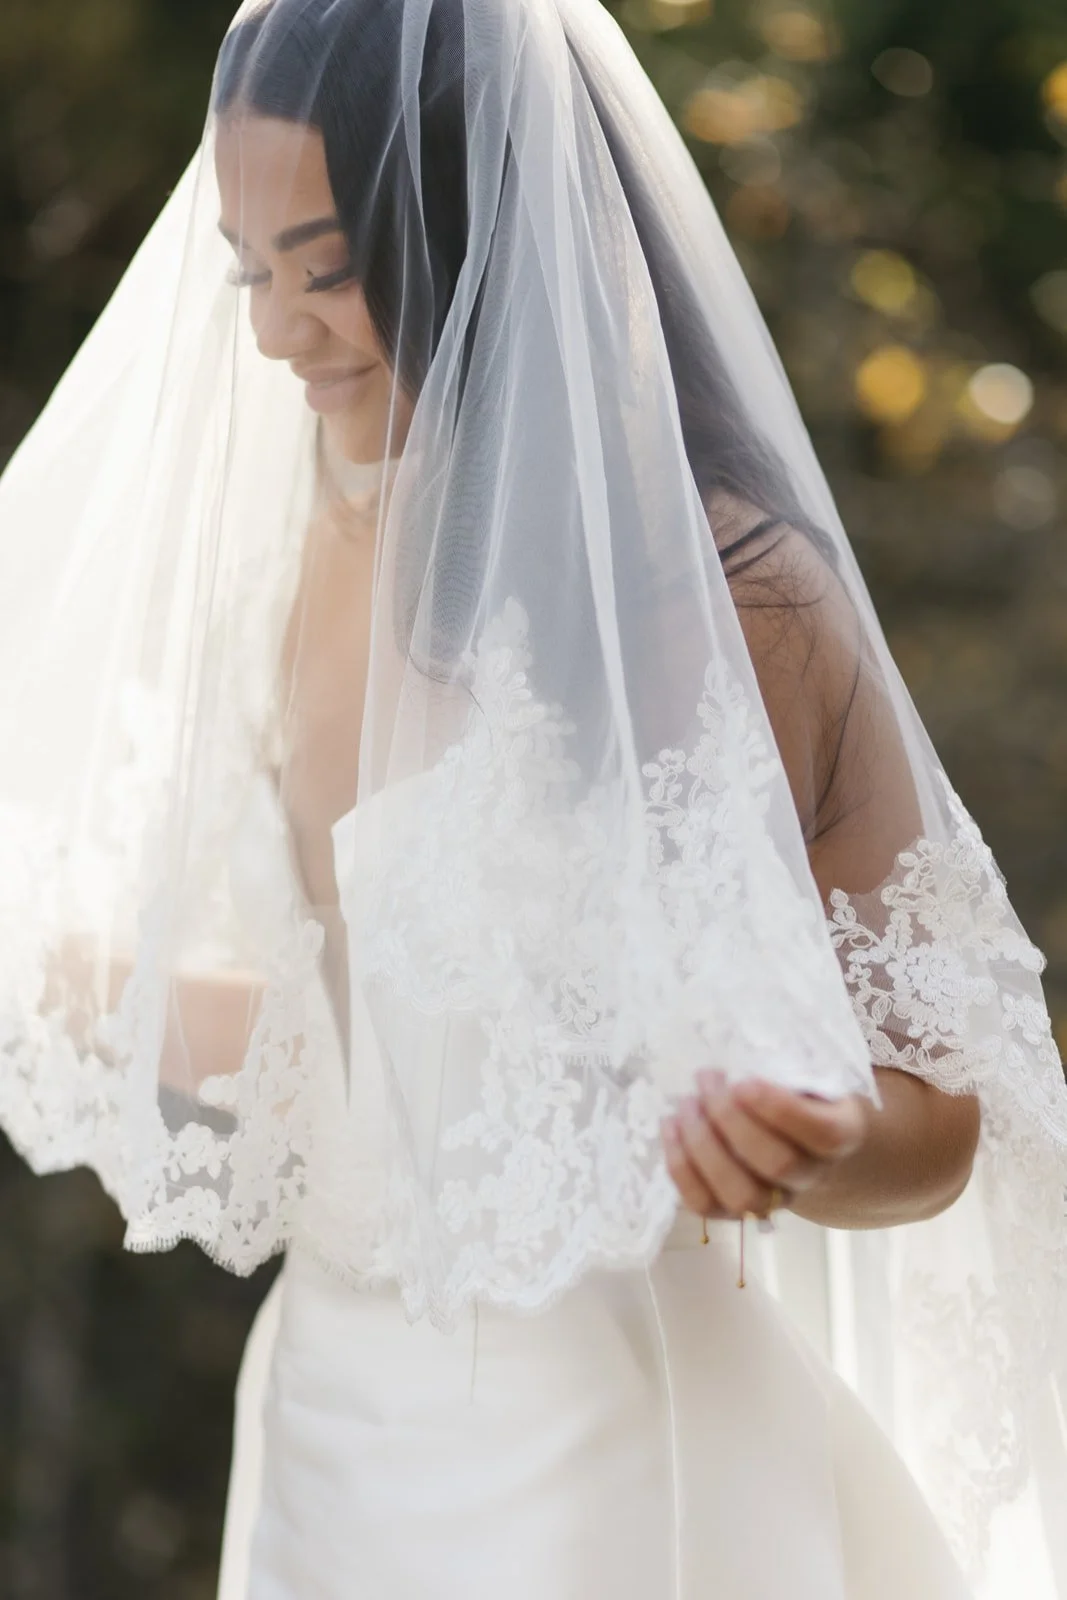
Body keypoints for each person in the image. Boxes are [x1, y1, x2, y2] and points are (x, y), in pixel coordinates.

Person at [0, 1, 1064, 1596]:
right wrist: (83, 987)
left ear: (466, 232)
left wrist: (817, 1136)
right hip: (330, 1430)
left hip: (594, 1461)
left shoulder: (727, 600)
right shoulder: (308, 538)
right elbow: (378, 1043)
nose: (277, 334)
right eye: (248, 273)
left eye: (323, 265)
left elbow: (940, 1114)